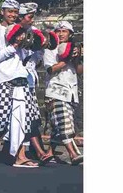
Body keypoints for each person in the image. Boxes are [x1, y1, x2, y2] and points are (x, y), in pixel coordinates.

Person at [0, 0, 38, 168]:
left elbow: (27, 55)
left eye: (15, 12)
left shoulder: (22, 30)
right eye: (9, 12)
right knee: (2, 119)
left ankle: (20, 156)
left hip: (22, 77)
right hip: (5, 78)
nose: (13, 15)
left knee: (23, 118)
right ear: (2, 12)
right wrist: (14, 46)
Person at [17, 2, 55, 164]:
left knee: (33, 118)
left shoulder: (34, 32)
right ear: (21, 17)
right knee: (25, 118)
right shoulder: (14, 33)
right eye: (29, 16)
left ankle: (37, 151)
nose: (32, 20)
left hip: (30, 80)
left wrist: (41, 46)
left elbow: (37, 60)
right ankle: (37, 152)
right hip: (18, 80)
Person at [43, 21, 83, 165]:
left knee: (58, 123)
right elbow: (50, 69)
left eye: (64, 31)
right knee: (66, 123)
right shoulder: (50, 48)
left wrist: (78, 58)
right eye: (58, 31)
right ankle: (73, 154)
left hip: (71, 91)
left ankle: (49, 153)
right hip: (55, 90)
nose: (61, 34)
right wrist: (66, 59)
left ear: (70, 34)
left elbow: (79, 71)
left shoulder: (74, 48)